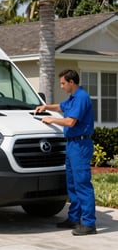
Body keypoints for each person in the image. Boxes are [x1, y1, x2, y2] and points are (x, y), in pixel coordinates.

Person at [35, 69, 96, 236]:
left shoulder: (82, 97)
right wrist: (46, 106)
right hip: (71, 146)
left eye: (63, 83)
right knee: (72, 183)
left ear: (71, 82)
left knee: (82, 183)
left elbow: (70, 121)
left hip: (80, 145)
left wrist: (51, 119)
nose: (61, 86)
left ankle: (89, 224)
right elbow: (62, 107)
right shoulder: (73, 97)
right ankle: (74, 219)